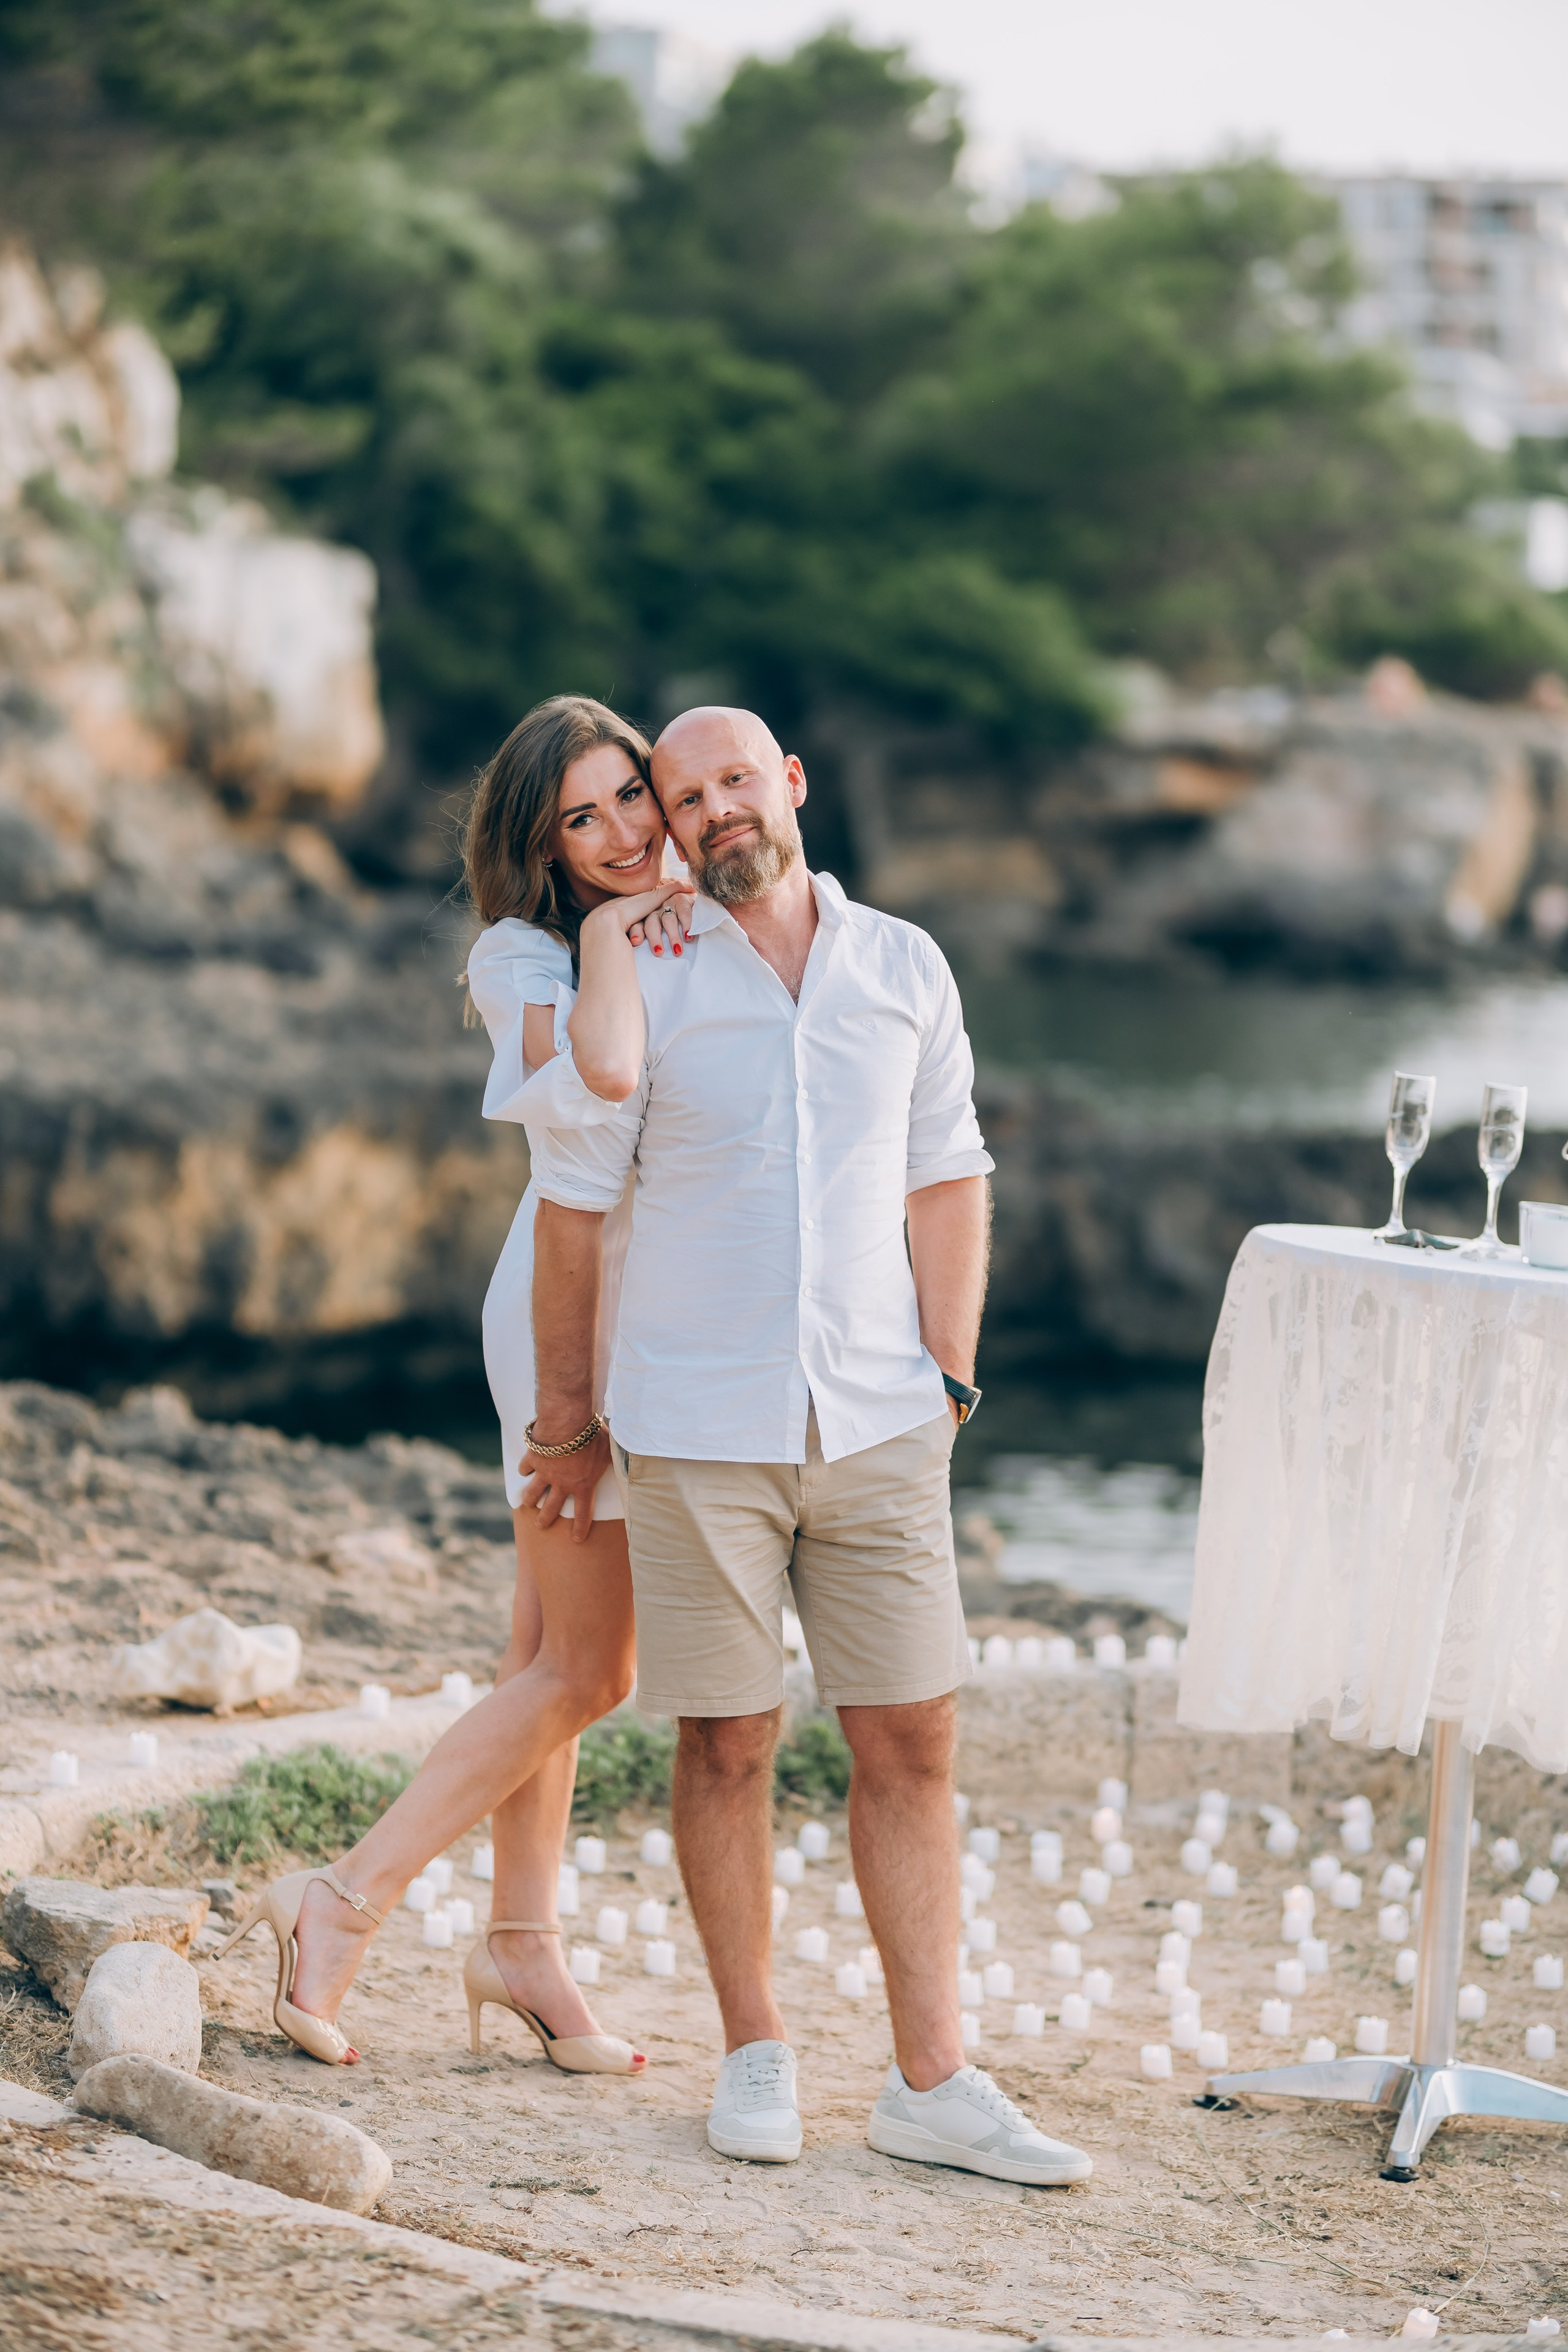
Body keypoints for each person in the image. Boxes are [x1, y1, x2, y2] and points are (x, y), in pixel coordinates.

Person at [522, 705, 1093, 2185]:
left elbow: (949, 1171)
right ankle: (755, 2054)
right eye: (678, 795)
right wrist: (568, 1424)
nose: (711, 812)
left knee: (912, 1740)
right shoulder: (645, 973)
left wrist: (951, 1378)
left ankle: (930, 2078)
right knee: (723, 1744)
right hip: (696, 1427)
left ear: (786, 786)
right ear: (665, 818)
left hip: (883, 1424)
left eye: (732, 782)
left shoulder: (901, 963)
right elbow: (573, 1222)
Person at [216, 695, 692, 2074]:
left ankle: (522, 1943)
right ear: (537, 845)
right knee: (593, 1671)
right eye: (577, 819)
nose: (613, 834)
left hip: (661, 1311)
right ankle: (343, 1899)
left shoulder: (697, 923)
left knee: (542, 1657)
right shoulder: (518, 956)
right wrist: (609, 929)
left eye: (627, 800)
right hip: (570, 1323)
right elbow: (593, 1079)